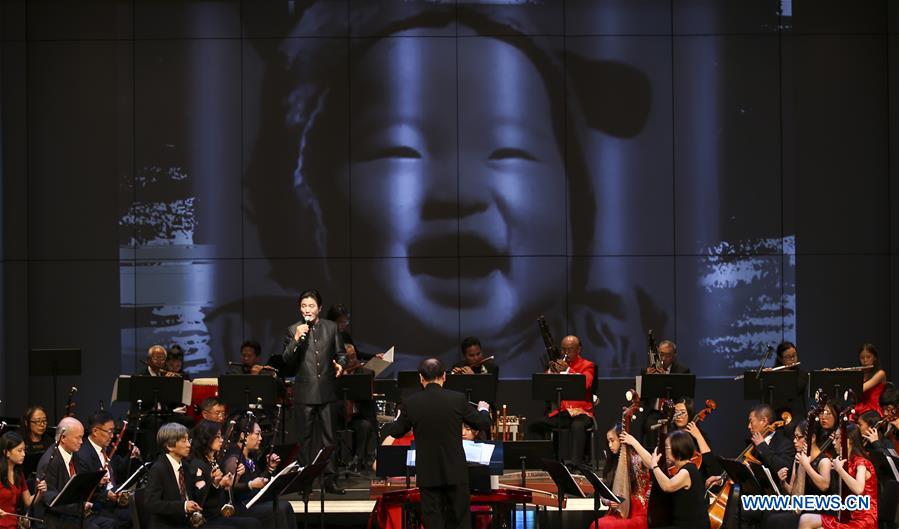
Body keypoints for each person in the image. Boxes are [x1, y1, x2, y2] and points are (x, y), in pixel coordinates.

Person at [243, 3, 657, 378]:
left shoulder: (622, 335)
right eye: (399, 151)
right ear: (311, 198)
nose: (459, 195)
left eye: (509, 152)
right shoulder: (261, 334)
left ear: (578, 200)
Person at [383, 358, 491, 529]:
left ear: (421, 378)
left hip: (428, 474)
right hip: (455, 472)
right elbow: (483, 423)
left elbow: (396, 431)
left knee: (433, 523)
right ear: (444, 376)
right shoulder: (457, 399)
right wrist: (483, 410)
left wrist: (398, 417)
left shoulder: (411, 402)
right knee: (460, 523)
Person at [281, 288, 347, 494]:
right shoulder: (293, 329)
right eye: (303, 306)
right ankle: (305, 482)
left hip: (327, 390)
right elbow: (287, 361)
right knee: (305, 440)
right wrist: (296, 339)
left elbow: (341, 354)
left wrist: (341, 364)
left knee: (329, 438)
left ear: (319, 308)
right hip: (304, 392)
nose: (307, 310)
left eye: (311, 306)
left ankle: (329, 479)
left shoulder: (331, 327)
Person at [619, 429, 710, 529]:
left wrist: (655, 466)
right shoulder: (680, 468)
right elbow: (652, 463)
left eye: (667, 448)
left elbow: (667, 486)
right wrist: (634, 442)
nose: (665, 452)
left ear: (677, 448)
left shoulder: (687, 471)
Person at [527, 335, 595, 467]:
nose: (566, 353)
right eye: (563, 349)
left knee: (577, 426)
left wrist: (568, 370)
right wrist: (550, 372)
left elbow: (586, 383)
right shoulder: (558, 365)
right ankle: (547, 462)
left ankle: (576, 465)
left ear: (578, 349)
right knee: (534, 425)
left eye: (570, 349)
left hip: (582, 413)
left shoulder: (588, 365)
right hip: (563, 413)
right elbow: (544, 386)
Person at [37, 417, 115, 529]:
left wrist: (97, 482)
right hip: (56, 517)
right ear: (63, 437)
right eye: (78, 438)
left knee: (111, 524)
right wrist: (79, 507)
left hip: (74, 513)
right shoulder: (50, 461)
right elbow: (50, 498)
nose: (81, 442)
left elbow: (78, 484)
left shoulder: (74, 454)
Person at [144, 422, 226, 529]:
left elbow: (198, 499)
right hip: (169, 525)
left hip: (188, 523)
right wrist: (183, 506)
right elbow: (151, 504)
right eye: (184, 441)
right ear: (169, 446)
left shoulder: (186, 466)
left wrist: (214, 483)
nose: (189, 445)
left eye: (188, 440)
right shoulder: (158, 469)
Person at [798, 423, 877, 529]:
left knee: (806, 520)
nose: (834, 442)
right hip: (846, 516)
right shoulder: (846, 462)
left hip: (863, 521)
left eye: (837, 438)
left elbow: (859, 489)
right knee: (806, 519)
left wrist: (840, 470)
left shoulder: (861, 462)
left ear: (847, 441)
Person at [186, 421, 259, 529]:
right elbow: (200, 497)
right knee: (251, 523)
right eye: (218, 437)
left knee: (253, 522)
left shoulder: (214, 460)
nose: (221, 440)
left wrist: (237, 476)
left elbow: (227, 488)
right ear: (206, 438)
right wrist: (218, 484)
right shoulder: (198, 464)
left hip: (221, 510)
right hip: (208, 516)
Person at [224, 419, 294, 529]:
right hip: (240, 505)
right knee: (278, 509)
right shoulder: (233, 458)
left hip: (253, 502)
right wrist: (250, 485)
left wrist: (270, 468)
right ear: (243, 436)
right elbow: (228, 488)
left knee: (286, 505)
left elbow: (259, 481)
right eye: (257, 434)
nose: (260, 438)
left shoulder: (251, 455)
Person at [75, 412, 135, 527]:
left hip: (114, 499)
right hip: (98, 506)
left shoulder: (106, 448)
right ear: (95, 431)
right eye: (109, 431)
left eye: (113, 431)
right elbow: (84, 490)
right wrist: (106, 494)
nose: (112, 436)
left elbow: (120, 469)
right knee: (128, 518)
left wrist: (130, 456)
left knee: (141, 510)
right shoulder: (83, 455)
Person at [591, 425, 649, 529]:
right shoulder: (613, 462)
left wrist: (634, 442)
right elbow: (604, 492)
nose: (610, 445)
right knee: (597, 524)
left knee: (608, 526)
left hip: (638, 511)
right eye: (608, 441)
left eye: (612, 440)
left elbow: (652, 463)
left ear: (621, 439)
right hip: (619, 510)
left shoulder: (637, 458)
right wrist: (608, 501)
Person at [0, 432, 46, 529]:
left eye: (24, 450)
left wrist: (40, 492)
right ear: (7, 452)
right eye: (19, 451)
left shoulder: (18, 473)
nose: (24, 454)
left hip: (13, 525)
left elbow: (28, 501)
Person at [19, 406, 52, 477]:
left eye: (44, 421)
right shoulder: (20, 441)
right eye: (38, 421)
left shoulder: (50, 441)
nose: (42, 425)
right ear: (27, 423)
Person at [856, 343, 887, 416]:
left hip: (873, 410)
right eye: (862, 358)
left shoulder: (880, 373)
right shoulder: (859, 373)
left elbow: (861, 388)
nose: (865, 360)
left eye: (868, 357)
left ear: (874, 358)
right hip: (859, 407)